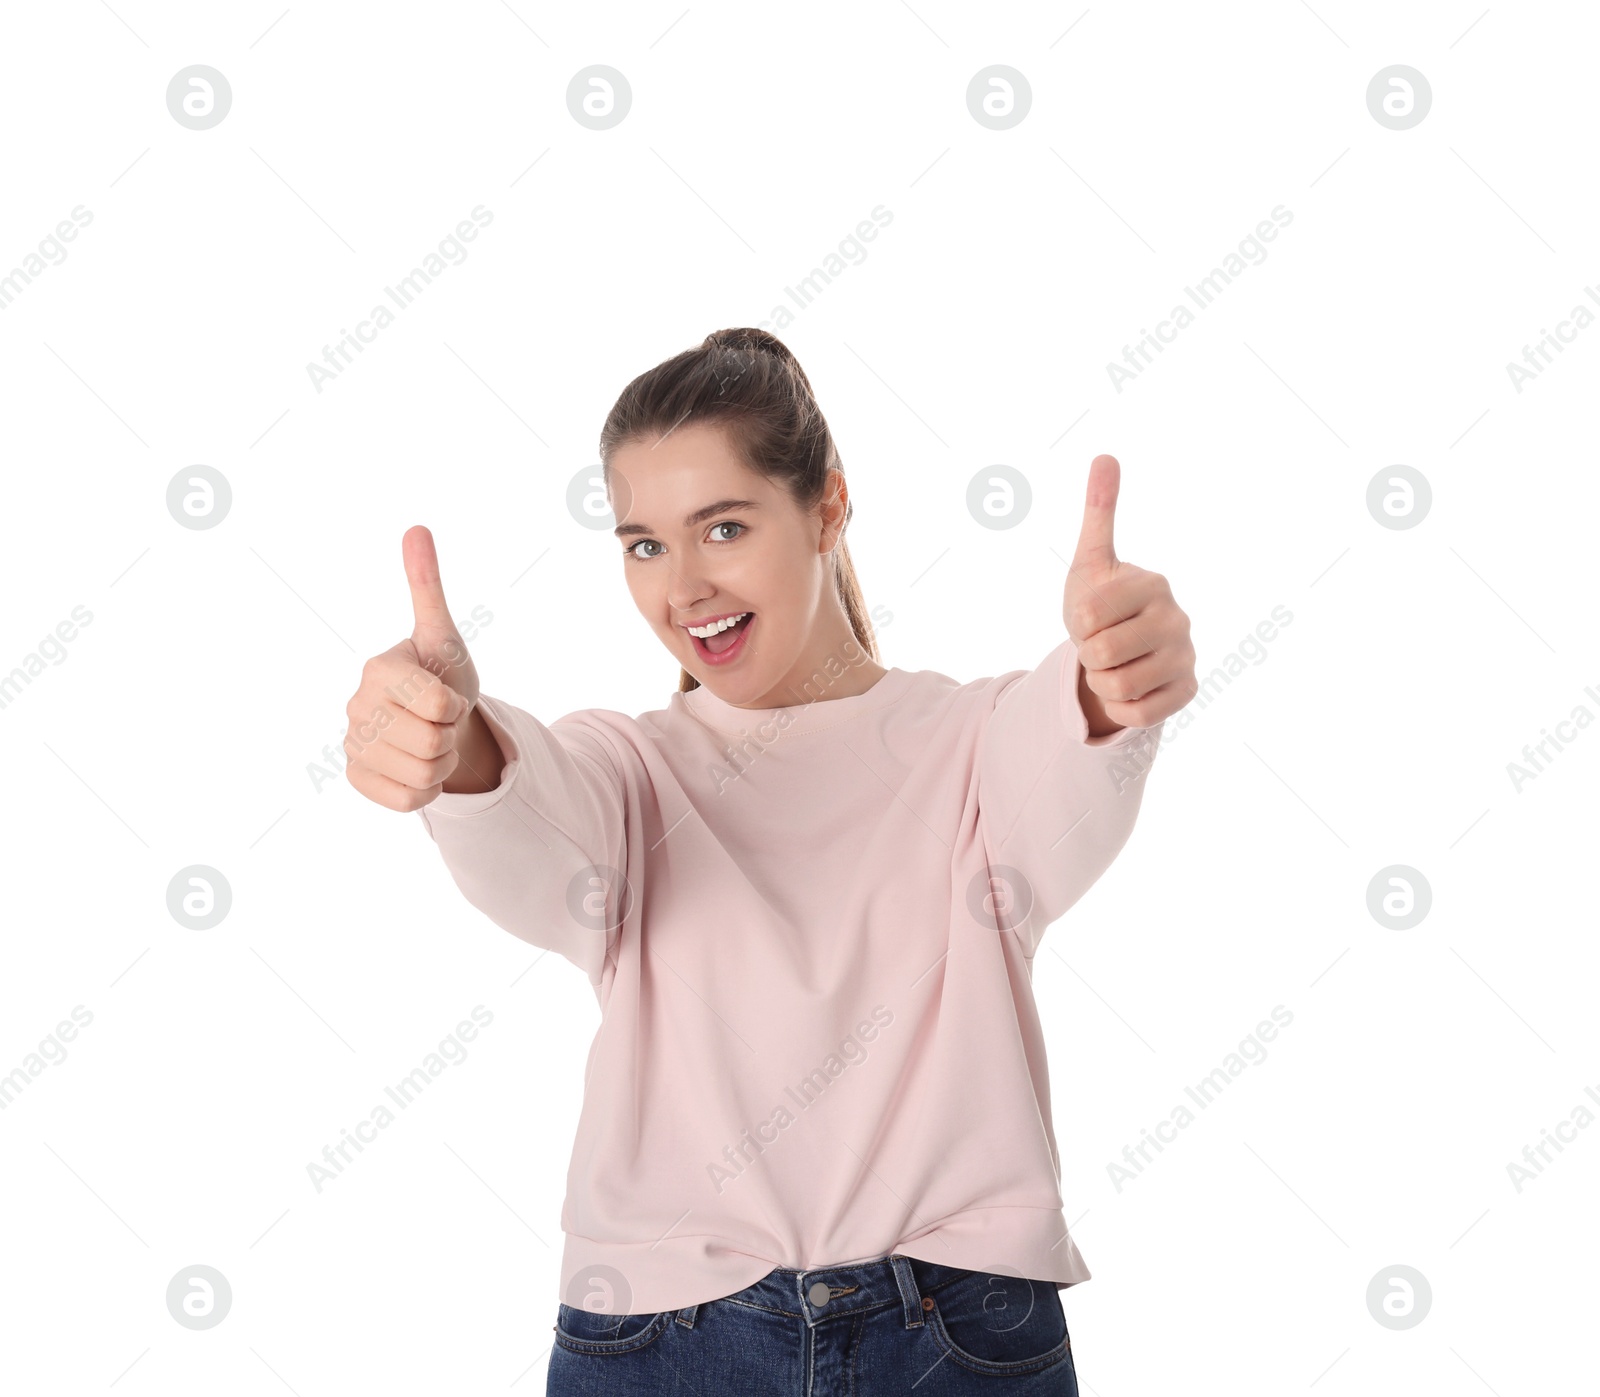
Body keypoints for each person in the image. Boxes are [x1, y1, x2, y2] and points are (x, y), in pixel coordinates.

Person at [343, 328, 1196, 1394]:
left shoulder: (972, 743)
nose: (684, 585)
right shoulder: (629, 771)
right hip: (662, 1342)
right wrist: (450, 739)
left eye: (725, 526)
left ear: (827, 509)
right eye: (644, 543)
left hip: (950, 1334)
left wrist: (1110, 673)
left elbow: (1061, 751)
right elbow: (534, 812)